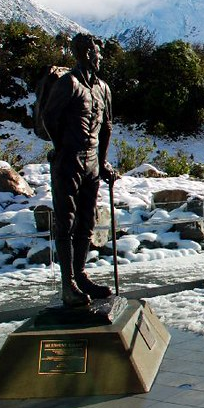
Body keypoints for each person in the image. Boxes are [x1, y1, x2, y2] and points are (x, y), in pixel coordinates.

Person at [43, 33, 118, 307]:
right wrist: (61, 146)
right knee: (66, 223)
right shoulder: (68, 84)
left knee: (86, 223)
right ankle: (67, 285)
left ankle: (81, 275)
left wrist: (103, 160)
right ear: (88, 53)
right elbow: (49, 117)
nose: (100, 58)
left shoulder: (103, 88)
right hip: (69, 161)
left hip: (92, 164)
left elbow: (107, 127)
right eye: (98, 53)